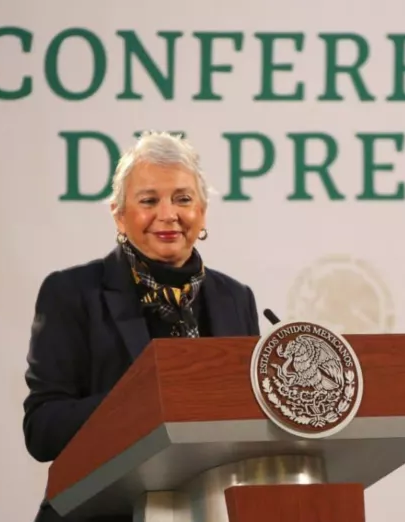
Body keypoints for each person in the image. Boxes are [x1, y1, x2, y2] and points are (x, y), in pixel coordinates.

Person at [21, 131, 261, 522]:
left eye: (183, 199)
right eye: (149, 200)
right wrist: (147, 402)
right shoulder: (72, 293)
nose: (168, 214)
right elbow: (43, 429)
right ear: (119, 214)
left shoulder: (235, 297)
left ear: (202, 211)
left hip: (211, 508)